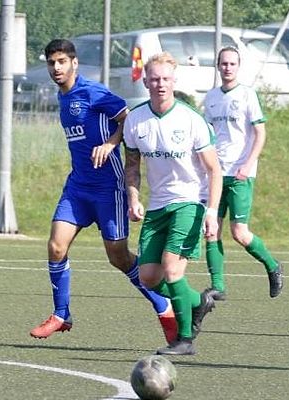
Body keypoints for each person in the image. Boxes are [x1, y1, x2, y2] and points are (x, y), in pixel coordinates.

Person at [29, 39, 177, 344]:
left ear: (74, 63)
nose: (56, 68)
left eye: (61, 61)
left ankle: (163, 304)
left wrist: (110, 144)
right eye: (51, 63)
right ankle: (61, 314)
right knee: (56, 246)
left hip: (109, 188)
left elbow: (128, 118)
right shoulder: (62, 95)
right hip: (78, 187)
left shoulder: (92, 92)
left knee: (118, 257)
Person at [123, 52, 223, 356]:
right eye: (155, 79)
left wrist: (212, 212)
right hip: (157, 207)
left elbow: (214, 170)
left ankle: (184, 339)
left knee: (171, 268)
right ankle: (198, 302)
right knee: (148, 277)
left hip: (189, 202)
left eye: (166, 79)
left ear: (174, 81)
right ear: (145, 81)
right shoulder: (136, 120)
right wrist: (134, 198)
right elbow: (132, 166)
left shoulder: (191, 120)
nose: (160, 84)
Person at [201, 46, 283, 301]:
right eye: (224, 63)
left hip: (239, 174)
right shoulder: (211, 97)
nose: (228, 67)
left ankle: (273, 266)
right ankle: (218, 286)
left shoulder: (247, 95)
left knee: (239, 232)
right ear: (218, 66)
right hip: (216, 173)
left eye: (232, 63)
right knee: (211, 229)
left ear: (238, 66)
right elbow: (206, 136)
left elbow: (260, 133)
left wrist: (248, 165)